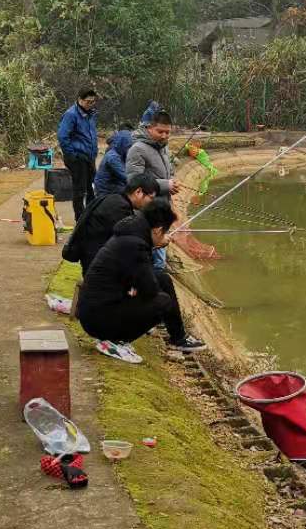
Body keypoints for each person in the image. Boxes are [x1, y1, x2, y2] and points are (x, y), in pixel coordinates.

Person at [77, 202, 205, 353]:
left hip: (99, 310)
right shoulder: (135, 245)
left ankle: (179, 338)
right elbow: (149, 290)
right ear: (157, 230)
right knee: (162, 302)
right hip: (99, 321)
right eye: (165, 232)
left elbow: (139, 278)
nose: (165, 237)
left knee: (163, 279)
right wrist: (138, 288)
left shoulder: (129, 235)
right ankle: (117, 340)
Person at [67, 172, 158, 274]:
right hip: (98, 270)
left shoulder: (115, 199)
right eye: (151, 198)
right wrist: (155, 242)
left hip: (94, 262)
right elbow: (131, 244)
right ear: (139, 192)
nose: (151, 202)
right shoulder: (120, 208)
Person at [126, 108, 181, 270]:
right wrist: (165, 185)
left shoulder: (162, 147)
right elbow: (133, 181)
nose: (164, 135)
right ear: (149, 128)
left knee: (158, 254)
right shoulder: (137, 149)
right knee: (155, 258)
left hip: (161, 206)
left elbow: (166, 171)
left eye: (167, 132)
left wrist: (171, 181)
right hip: (147, 210)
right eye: (160, 131)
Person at [58, 88, 99, 214]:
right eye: (88, 102)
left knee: (92, 187)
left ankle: (91, 215)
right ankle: (80, 218)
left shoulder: (91, 114)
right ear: (79, 100)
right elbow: (62, 136)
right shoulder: (71, 114)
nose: (91, 104)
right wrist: (72, 155)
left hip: (89, 157)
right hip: (78, 158)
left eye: (93, 102)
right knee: (80, 190)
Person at [92, 124, 134, 198]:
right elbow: (126, 177)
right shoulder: (112, 157)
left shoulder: (120, 154)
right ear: (123, 144)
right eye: (129, 146)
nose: (130, 149)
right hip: (106, 191)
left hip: (114, 186)